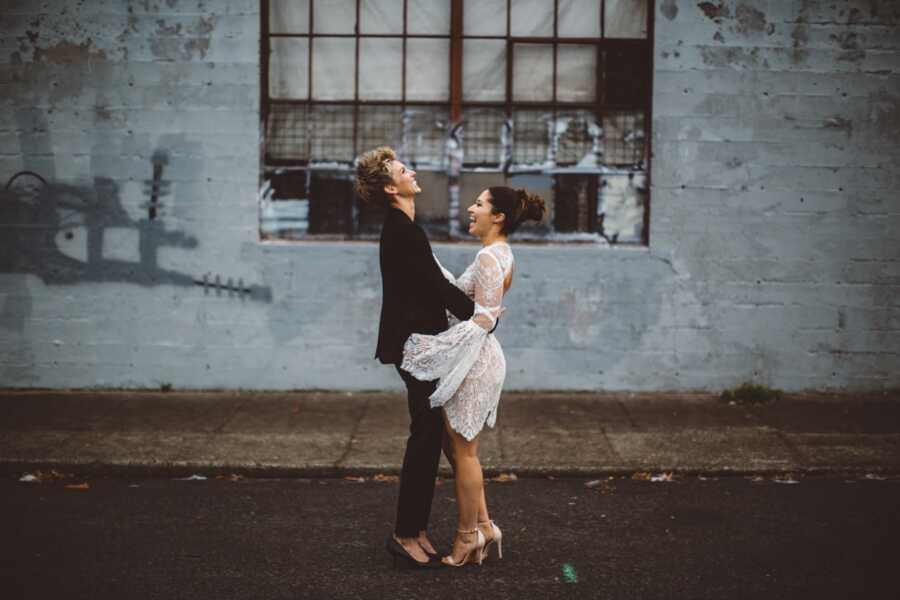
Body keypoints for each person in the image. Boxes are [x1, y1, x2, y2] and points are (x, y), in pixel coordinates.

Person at [401, 186, 546, 567]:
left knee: (465, 452)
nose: (471, 208)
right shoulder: (500, 253)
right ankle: (484, 525)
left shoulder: (488, 256)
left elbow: (483, 318)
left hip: (476, 360)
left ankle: (468, 537)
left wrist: (436, 349)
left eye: (479, 204)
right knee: (455, 447)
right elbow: (476, 303)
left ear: (497, 217)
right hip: (477, 358)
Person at [355, 146, 476, 569]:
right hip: (414, 346)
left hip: (419, 342)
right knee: (423, 435)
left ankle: (416, 530)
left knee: (426, 434)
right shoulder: (402, 230)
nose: (413, 172)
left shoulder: (404, 227)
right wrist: (479, 315)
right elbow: (433, 286)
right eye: (404, 170)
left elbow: (429, 285)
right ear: (391, 187)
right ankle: (405, 533)